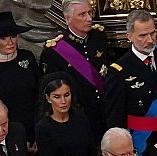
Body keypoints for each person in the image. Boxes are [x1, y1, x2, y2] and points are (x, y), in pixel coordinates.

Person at [104, 9, 157, 156]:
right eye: (143, 36)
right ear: (130, 37)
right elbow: (115, 118)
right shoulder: (119, 71)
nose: (150, 40)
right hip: (142, 142)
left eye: (153, 33)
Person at [40, 0, 108, 145]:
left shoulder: (99, 37)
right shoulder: (54, 51)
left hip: (105, 113)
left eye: (90, 13)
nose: (89, 18)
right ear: (68, 18)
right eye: (82, 14)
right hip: (80, 119)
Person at [0, 11, 39, 145]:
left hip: (37, 131)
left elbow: (40, 94)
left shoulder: (27, 57)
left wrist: (39, 133)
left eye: (13, 36)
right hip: (8, 135)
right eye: (3, 38)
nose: (10, 42)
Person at [36, 72, 98, 156]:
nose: (63, 101)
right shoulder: (43, 127)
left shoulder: (81, 118)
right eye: (57, 97)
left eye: (66, 95)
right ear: (48, 98)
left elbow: (91, 154)